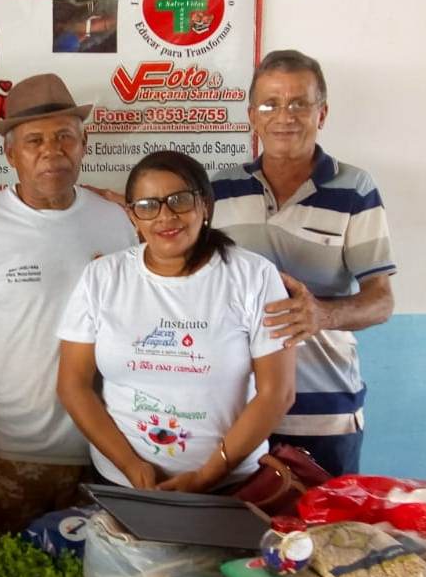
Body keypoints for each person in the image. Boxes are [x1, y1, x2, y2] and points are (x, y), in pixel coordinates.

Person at [0, 73, 136, 531]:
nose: (52, 151)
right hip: (3, 453)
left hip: (99, 451)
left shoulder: (117, 222)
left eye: (64, 137)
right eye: (34, 141)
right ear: (11, 154)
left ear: (84, 144)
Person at [56, 151, 295, 491]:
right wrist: (131, 466)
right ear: (132, 216)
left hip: (230, 485)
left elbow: (277, 393)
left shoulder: (254, 276)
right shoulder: (102, 276)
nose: (165, 216)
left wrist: (207, 475)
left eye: (179, 200)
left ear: (205, 206)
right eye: (147, 206)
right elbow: (73, 385)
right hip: (123, 481)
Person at [211, 49, 395, 477]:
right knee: (236, 523)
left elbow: (382, 301)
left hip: (324, 414)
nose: (284, 116)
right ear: (252, 116)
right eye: (270, 104)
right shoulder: (219, 189)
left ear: (321, 113)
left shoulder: (355, 188)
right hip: (238, 414)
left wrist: (322, 315)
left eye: (299, 103)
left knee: (325, 522)